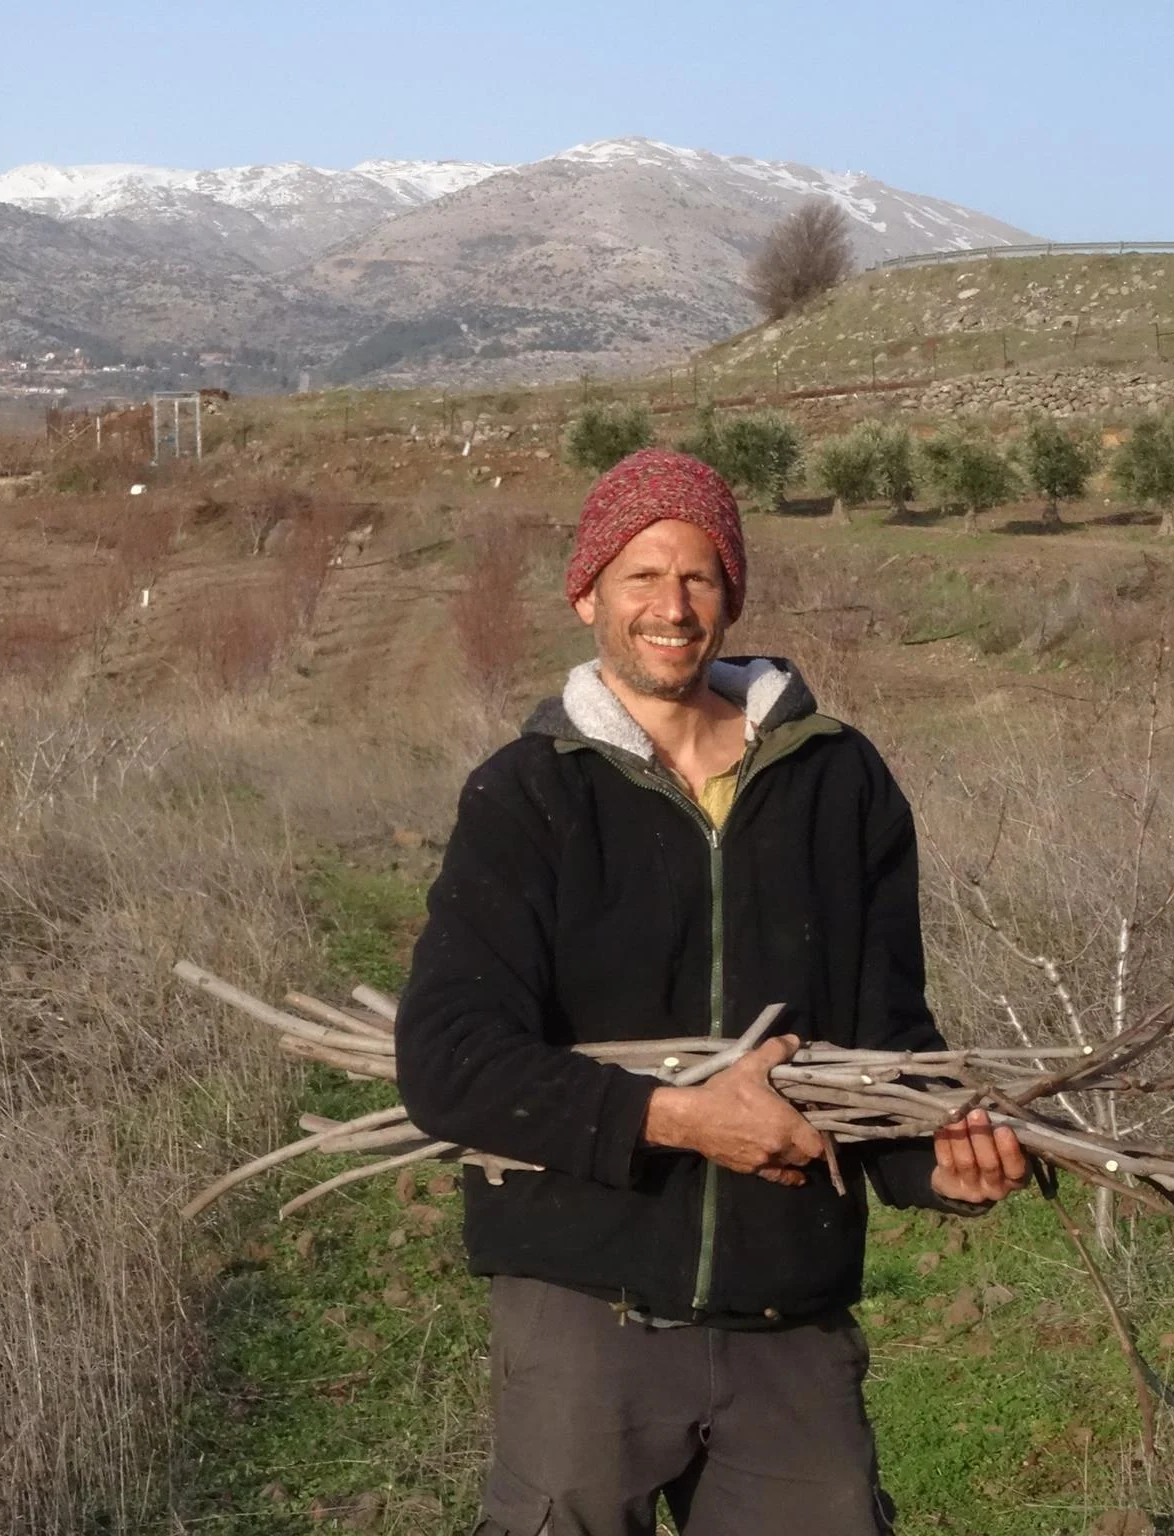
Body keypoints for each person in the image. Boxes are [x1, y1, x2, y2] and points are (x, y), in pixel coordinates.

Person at [394, 448, 1029, 1536]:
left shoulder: (839, 779)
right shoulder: (528, 793)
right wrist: (682, 1118)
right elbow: (448, 1061)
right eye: (640, 575)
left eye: (698, 576)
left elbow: (883, 1038)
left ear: (731, 595)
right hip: (583, 1299)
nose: (670, 607)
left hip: (787, 1300)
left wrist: (936, 1160)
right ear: (585, 592)